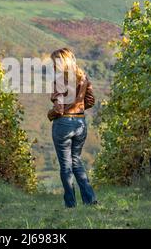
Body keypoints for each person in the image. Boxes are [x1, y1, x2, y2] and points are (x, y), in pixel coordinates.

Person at [47, 48, 98, 208]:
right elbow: (90, 101)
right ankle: (90, 199)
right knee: (76, 160)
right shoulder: (83, 77)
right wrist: (78, 108)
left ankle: (70, 203)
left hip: (63, 123)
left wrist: (50, 114)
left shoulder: (60, 79)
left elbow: (59, 109)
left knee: (66, 164)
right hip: (80, 123)